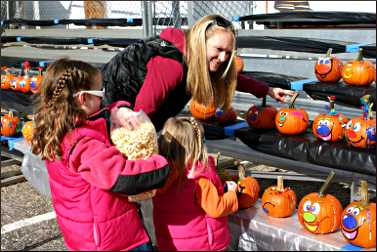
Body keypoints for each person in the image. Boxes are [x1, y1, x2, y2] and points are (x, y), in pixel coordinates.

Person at [30, 58, 170, 251]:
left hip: (87, 233)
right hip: (112, 241)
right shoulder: (83, 145)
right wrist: (161, 164)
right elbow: (123, 177)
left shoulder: (60, 127)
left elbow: (101, 114)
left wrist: (117, 109)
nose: (103, 98)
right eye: (99, 93)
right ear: (82, 99)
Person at [102, 14, 295, 131]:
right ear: (200, 41)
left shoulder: (196, 57)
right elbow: (142, 113)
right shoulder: (173, 65)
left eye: (228, 53)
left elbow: (226, 77)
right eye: (218, 49)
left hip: (132, 115)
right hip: (113, 112)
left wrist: (267, 90)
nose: (223, 58)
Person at [153, 116, 239, 251]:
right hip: (202, 245)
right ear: (198, 145)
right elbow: (215, 208)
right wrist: (232, 194)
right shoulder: (199, 178)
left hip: (169, 244)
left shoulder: (157, 175)